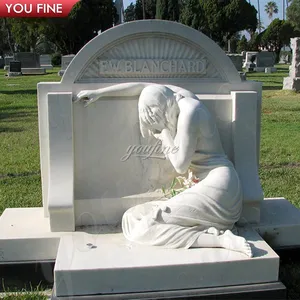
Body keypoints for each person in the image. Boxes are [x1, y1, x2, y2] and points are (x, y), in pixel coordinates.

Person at [75, 83, 252, 257]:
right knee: (130, 218)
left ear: (164, 112)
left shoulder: (190, 113)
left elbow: (180, 166)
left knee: (143, 229)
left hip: (220, 189)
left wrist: (164, 134)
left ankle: (221, 241)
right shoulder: (174, 95)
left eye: (156, 122)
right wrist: (100, 93)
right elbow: (141, 86)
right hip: (204, 186)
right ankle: (208, 231)